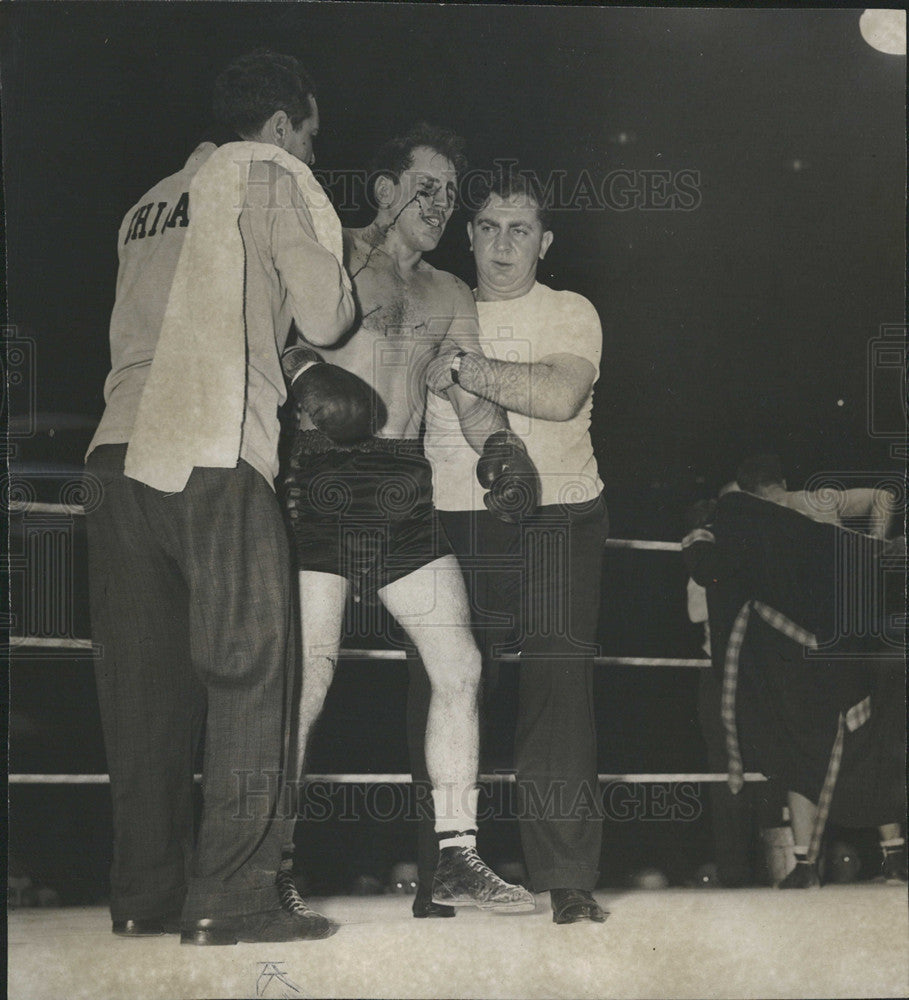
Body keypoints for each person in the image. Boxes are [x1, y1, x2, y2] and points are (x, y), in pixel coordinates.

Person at [84, 50, 365, 945]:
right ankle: (233, 898)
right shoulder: (270, 177)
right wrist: (336, 257)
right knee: (250, 671)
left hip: (118, 456)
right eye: (311, 137)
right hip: (208, 442)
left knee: (144, 688)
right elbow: (329, 320)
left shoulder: (150, 201)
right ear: (280, 126)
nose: (312, 155)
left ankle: (144, 895)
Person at [281, 124, 536, 914]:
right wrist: (308, 378)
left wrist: (501, 446)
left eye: (449, 195)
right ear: (385, 190)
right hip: (321, 479)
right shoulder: (327, 258)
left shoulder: (449, 294)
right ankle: (267, 859)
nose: (440, 204)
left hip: (400, 486)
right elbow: (274, 347)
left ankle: (457, 853)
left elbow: (466, 395)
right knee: (306, 680)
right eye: (425, 188)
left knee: (459, 667)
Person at [414, 167, 610, 924]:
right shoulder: (431, 302)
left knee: (559, 696)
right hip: (451, 517)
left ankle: (567, 881)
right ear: (467, 235)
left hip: (561, 515)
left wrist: (461, 365)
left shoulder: (570, 310)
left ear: (544, 240)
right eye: (488, 227)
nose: (501, 244)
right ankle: (439, 871)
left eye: (519, 229)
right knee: (441, 688)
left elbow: (556, 395)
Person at [683, 453, 906, 889]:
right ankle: (892, 858)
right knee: (867, 740)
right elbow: (883, 498)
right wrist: (876, 555)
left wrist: (697, 537)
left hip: (791, 653)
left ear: (743, 494)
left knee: (800, 745)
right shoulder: (815, 503)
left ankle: (806, 865)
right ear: (780, 480)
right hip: (846, 641)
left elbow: (706, 578)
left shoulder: (744, 521)